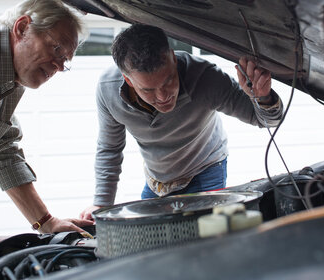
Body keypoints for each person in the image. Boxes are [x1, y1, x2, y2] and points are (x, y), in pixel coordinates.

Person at [80, 24, 284, 220]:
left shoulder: (206, 78)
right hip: (157, 181)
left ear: (173, 59)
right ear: (128, 80)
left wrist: (262, 97)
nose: (163, 96)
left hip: (205, 168)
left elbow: (265, 120)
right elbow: (110, 148)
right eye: (148, 90)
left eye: (168, 80)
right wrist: (101, 204)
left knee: (206, 240)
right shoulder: (108, 90)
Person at [0, 0, 94, 239]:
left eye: (65, 60)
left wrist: (46, 222)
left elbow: (3, 154)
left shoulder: (10, 88)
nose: (58, 65)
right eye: (56, 49)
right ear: (22, 28)